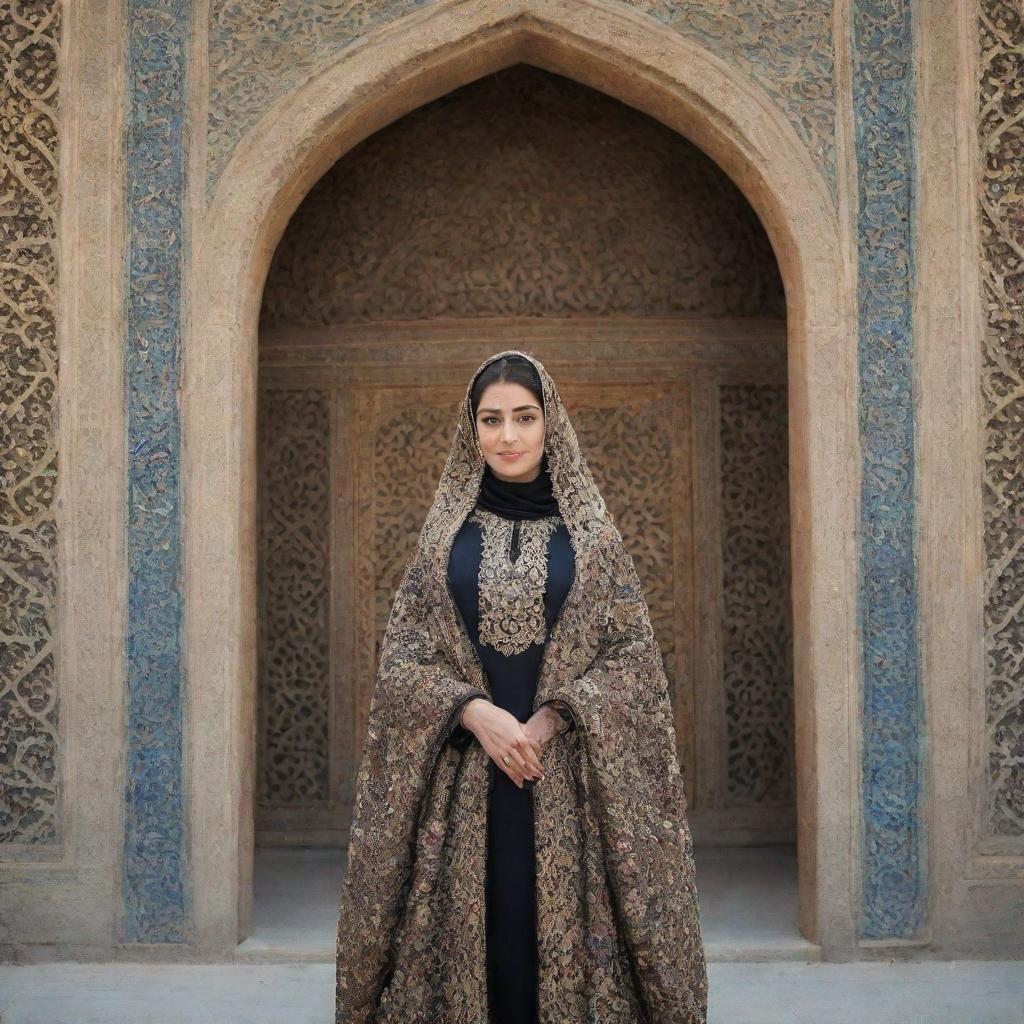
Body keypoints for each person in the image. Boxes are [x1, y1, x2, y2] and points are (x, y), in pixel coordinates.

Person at [336, 351, 708, 1024]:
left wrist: (551, 720)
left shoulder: (593, 539)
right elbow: (404, 657)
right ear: (471, 430)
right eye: (492, 419)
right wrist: (475, 713)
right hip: (465, 785)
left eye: (524, 417)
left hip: (563, 779)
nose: (508, 436)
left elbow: (632, 656)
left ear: (550, 423)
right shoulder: (441, 540)